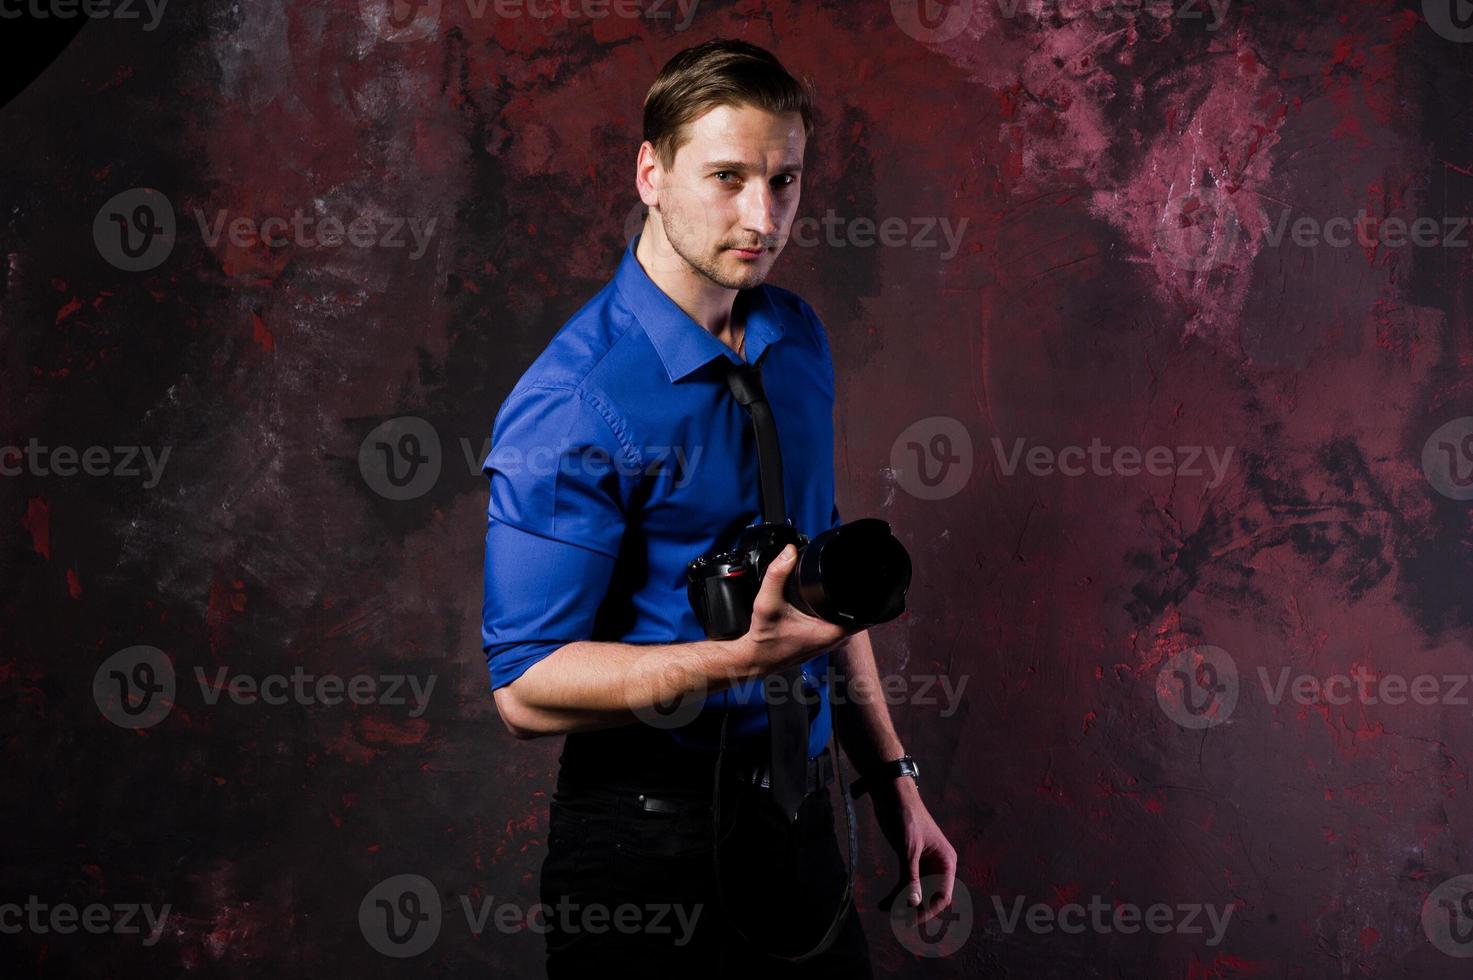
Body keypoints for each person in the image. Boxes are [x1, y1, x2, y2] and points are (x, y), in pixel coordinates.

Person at [480, 38, 956, 977]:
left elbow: (819, 591)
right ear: (650, 173)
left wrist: (891, 780)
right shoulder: (573, 400)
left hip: (805, 819)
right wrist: (737, 660)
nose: (762, 214)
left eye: (784, 179)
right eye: (727, 177)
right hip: (648, 848)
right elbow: (524, 690)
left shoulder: (795, 335)